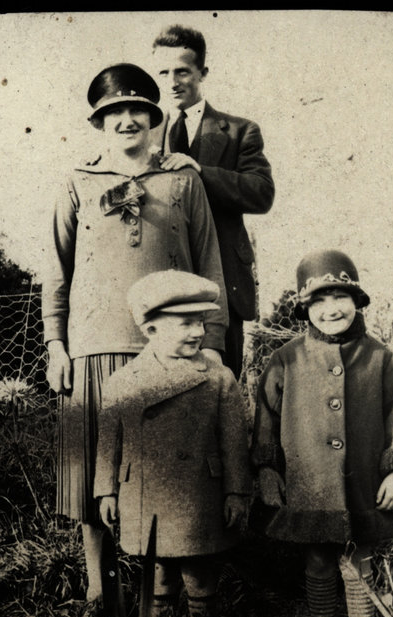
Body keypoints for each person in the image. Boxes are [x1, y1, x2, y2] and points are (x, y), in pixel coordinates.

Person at [41, 63, 230, 617]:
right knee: (93, 487)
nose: (126, 120)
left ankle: (164, 613)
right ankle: (100, 601)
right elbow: (56, 270)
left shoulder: (182, 180)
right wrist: (55, 345)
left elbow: (210, 266)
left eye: (138, 110)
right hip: (94, 354)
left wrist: (215, 349)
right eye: (112, 113)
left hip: (167, 360)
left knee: (169, 483)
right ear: (99, 123)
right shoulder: (75, 181)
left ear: (154, 119)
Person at [250, 249, 393, 617]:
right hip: (308, 483)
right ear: (304, 308)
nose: (331, 310)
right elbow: (265, 421)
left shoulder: (383, 360)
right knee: (318, 561)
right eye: (318, 301)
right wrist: (268, 470)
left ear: (357, 300)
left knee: (358, 563)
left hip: (363, 482)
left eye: (340, 297)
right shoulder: (285, 360)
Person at [94, 269, 252, 617]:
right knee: (157, 573)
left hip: (200, 492)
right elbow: (108, 442)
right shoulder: (124, 382)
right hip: (145, 493)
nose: (198, 331)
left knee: (200, 574)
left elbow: (235, 443)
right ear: (150, 329)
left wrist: (237, 492)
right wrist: (105, 492)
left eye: (201, 321)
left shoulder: (219, 378)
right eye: (185, 323)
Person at [151, 24, 275, 381]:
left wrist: (201, 171)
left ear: (203, 73)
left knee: (222, 392)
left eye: (182, 71)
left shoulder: (239, 130)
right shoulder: (144, 134)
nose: (172, 81)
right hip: (161, 285)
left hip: (221, 288)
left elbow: (261, 192)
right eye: (163, 72)